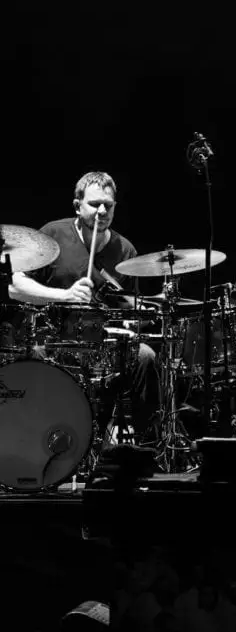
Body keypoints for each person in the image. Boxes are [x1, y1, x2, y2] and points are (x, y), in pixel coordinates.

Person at [7, 171, 160, 439]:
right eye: (94, 204)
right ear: (77, 206)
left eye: (108, 205)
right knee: (34, 357)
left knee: (145, 356)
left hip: (104, 345)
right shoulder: (53, 234)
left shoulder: (125, 251)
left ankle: (147, 444)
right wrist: (65, 295)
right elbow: (15, 287)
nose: (102, 211)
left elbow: (129, 308)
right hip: (55, 341)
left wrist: (139, 316)